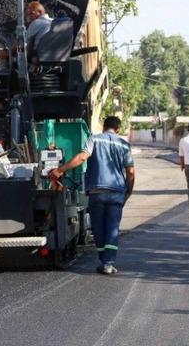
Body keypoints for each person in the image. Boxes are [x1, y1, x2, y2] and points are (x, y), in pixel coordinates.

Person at [50, 116, 135, 275]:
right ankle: (108, 263)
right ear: (117, 129)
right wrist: (129, 190)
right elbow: (130, 171)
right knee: (112, 228)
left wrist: (61, 170)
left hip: (97, 191)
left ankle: (104, 261)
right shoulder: (124, 144)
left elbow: (82, 157)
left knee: (98, 228)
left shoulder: (94, 139)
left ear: (104, 127)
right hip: (117, 192)